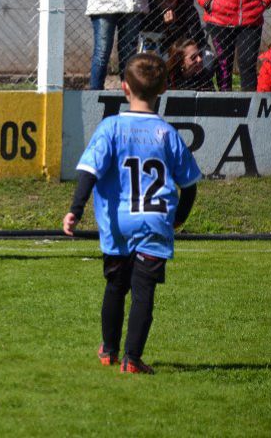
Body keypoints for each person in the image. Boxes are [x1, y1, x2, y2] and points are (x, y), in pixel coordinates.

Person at [63, 52, 201, 374]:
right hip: (154, 220)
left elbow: (88, 172)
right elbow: (190, 185)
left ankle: (108, 349)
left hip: (118, 223)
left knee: (115, 286)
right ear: (163, 89)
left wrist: (75, 210)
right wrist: (179, 217)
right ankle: (132, 360)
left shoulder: (110, 127)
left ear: (124, 88)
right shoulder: (167, 133)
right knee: (143, 293)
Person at [141, 0, 205, 56]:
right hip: (158, 50)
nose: (167, 4)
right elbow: (146, 34)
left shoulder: (188, 9)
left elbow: (193, 40)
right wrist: (164, 26)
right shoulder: (151, 8)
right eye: (161, 0)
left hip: (185, 51)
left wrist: (173, 26)